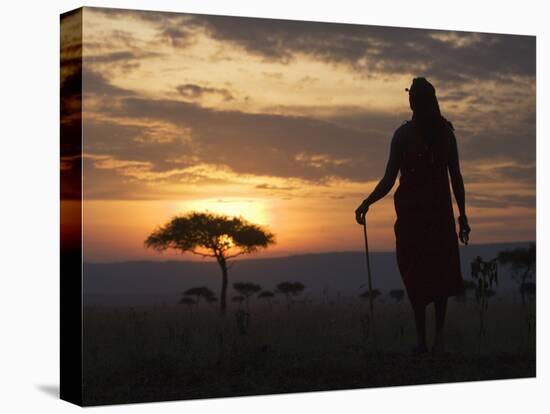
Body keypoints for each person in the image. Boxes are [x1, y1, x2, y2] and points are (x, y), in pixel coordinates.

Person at [355, 77, 471, 354]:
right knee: (430, 273)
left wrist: (366, 202)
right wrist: (462, 216)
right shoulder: (443, 134)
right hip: (428, 217)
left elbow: (389, 180)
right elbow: (455, 178)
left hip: (419, 219)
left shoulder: (410, 135)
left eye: (413, 97)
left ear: (415, 102)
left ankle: (426, 341)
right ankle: (435, 340)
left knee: (420, 273)